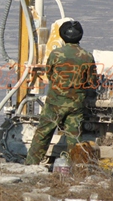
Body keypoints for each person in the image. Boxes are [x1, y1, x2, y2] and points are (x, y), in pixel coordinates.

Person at [24, 19, 98, 165]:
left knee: (43, 134)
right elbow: (92, 82)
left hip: (55, 103)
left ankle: (31, 165)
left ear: (62, 35)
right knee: (74, 139)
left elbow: (49, 74)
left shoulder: (56, 54)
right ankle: (76, 168)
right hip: (76, 104)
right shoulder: (87, 56)